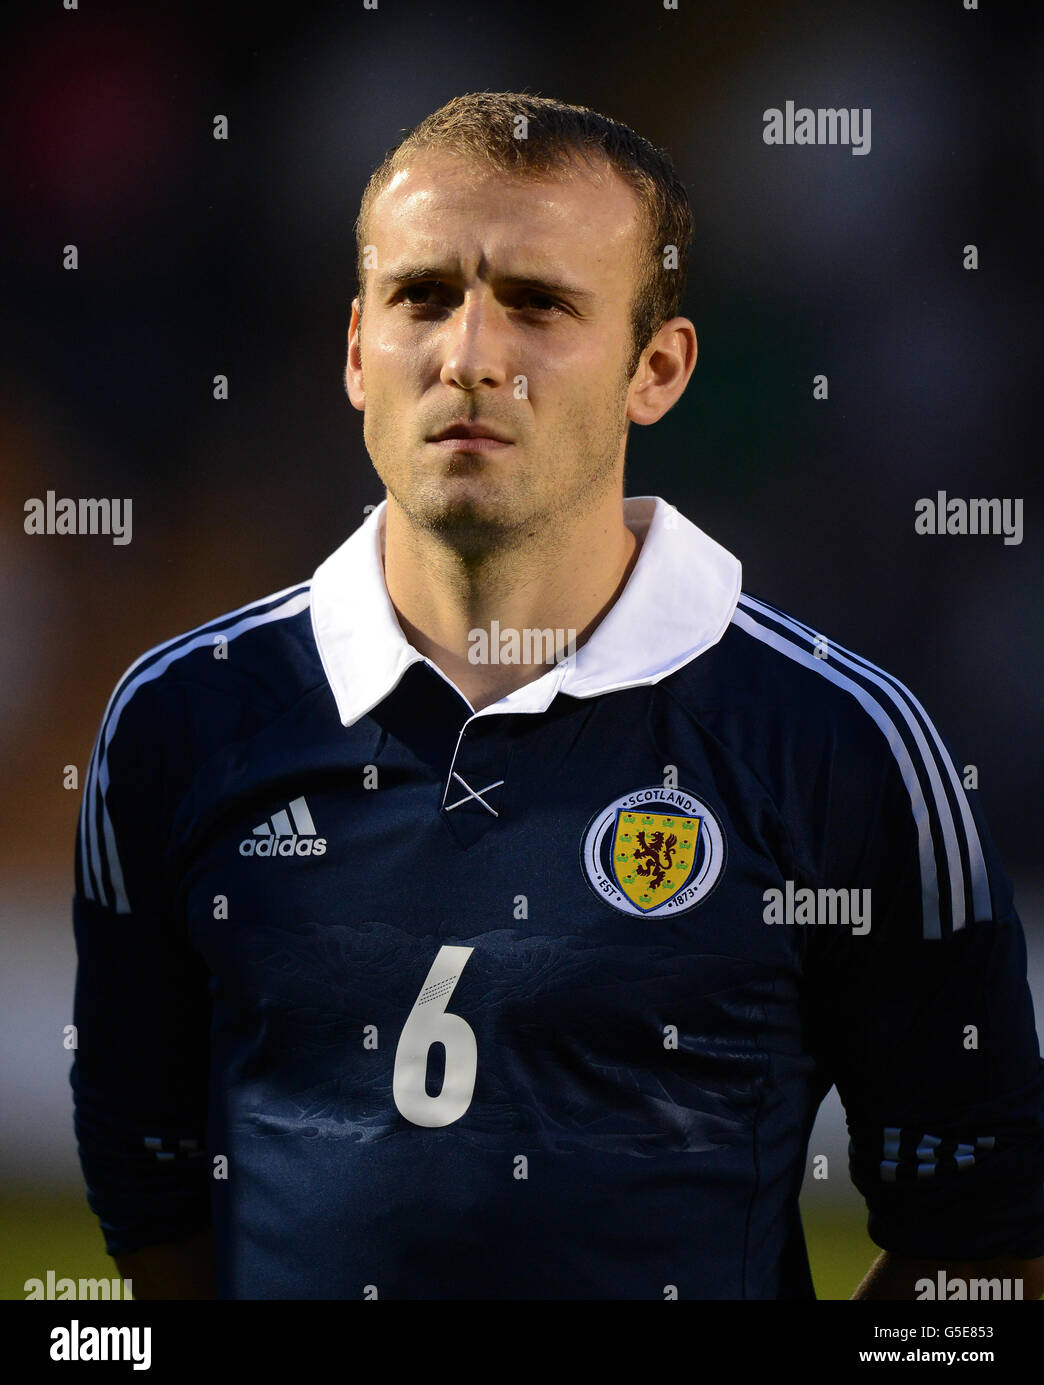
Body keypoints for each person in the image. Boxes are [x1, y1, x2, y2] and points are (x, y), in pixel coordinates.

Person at [71, 91, 1044, 1300]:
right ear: (357, 349)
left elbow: (986, 1233)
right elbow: (148, 1184)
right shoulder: (180, 720)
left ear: (658, 368)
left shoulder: (845, 744)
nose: (471, 354)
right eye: (423, 296)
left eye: (538, 305)